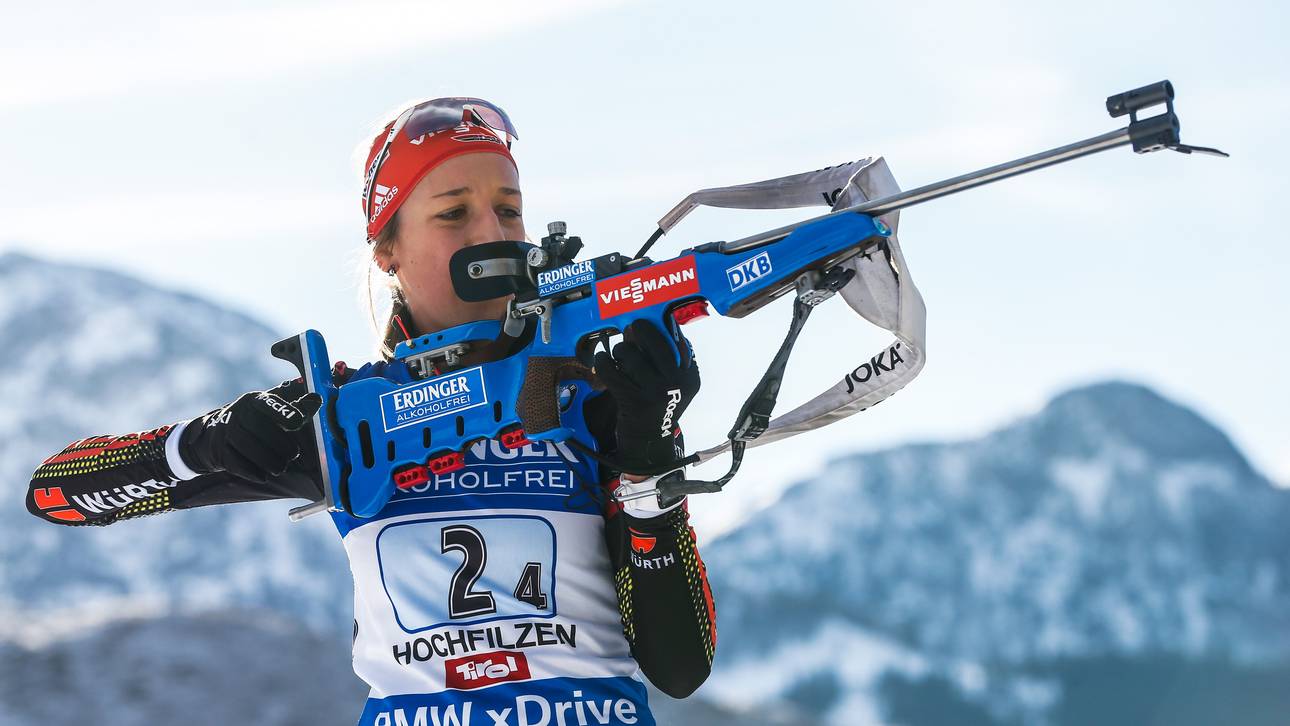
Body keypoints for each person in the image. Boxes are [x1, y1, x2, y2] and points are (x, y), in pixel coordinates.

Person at [26, 97, 716, 726]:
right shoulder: (346, 419)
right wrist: (212, 442)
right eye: (454, 212)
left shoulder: (593, 396)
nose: (492, 231)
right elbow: (60, 492)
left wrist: (650, 460)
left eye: (510, 209)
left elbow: (678, 667)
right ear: (387, 250)